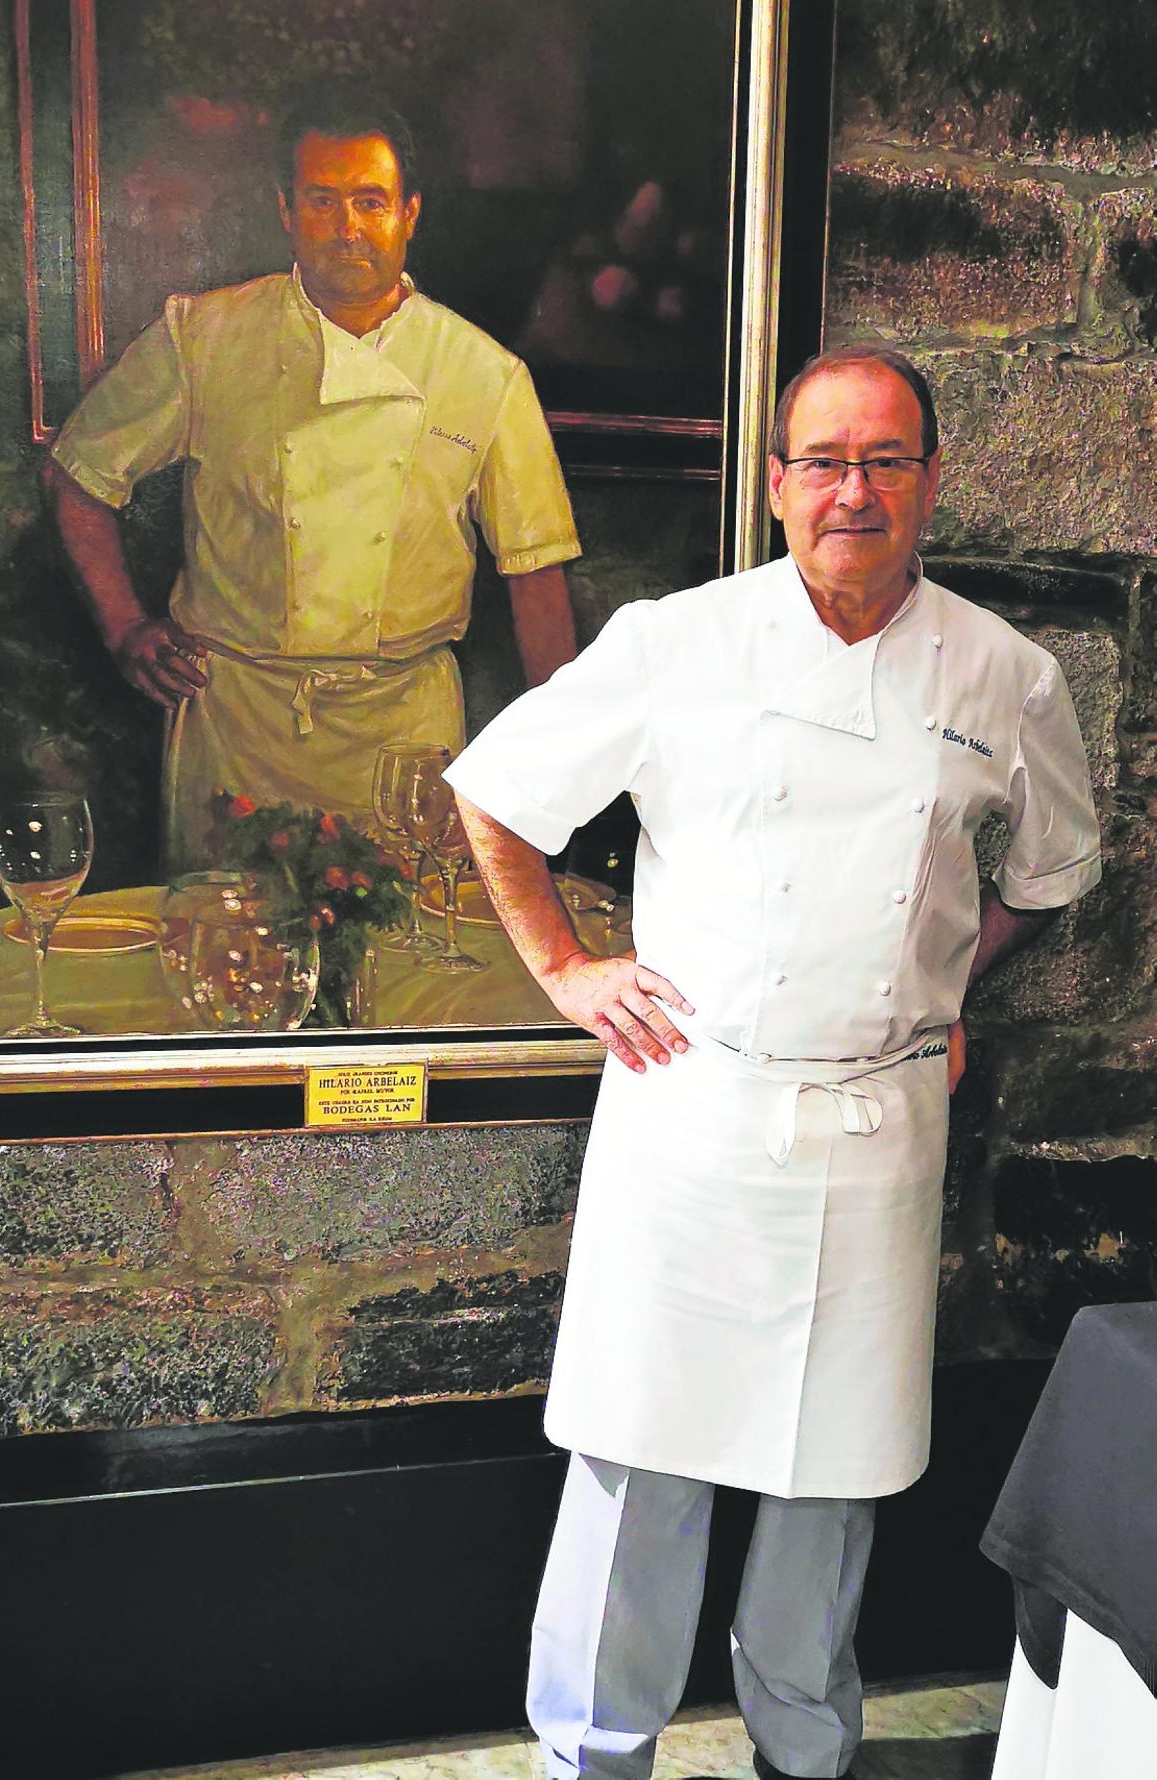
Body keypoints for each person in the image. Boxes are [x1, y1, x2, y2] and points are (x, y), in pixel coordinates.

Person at [444, 345, 1102, 1780]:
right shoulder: (678, 640)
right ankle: (594, 1757)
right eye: (823, 459)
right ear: (775, 482)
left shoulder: (1008, 672)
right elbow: (496, 792)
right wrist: (568, 971)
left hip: (880, 1123)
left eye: (884, 460)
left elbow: (1053, 875)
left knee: (837, 1479)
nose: (851, 490)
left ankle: (805, 1752)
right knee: (638, 1467)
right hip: (694, 1105)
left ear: (930, 479)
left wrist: (943, 979)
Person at [46, 84, 580, 871]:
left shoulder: (483, 372)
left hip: (405, 740)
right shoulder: (204, 337)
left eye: (370, 201)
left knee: (412, 976)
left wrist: (554, 766)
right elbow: (77, 475)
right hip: (237, 727)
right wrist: (125, 626)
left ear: (409, 213)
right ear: (286, 212)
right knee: (225, 972)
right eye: (323, 201)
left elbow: (536, 573)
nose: (348, 228)